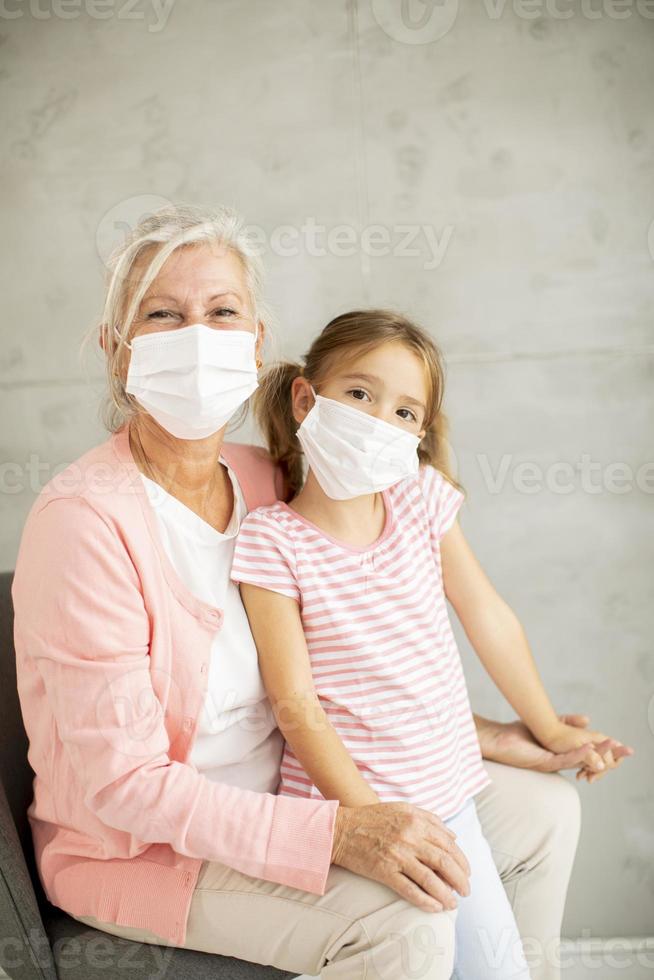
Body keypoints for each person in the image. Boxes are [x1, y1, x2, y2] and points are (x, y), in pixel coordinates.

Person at [11, 204, 632, 980]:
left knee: (544, 813)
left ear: (257, 343)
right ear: (117, 351)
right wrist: (342, 834)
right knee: (406, 924)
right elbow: (127, 788)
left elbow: (351, 664)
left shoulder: (270, 480)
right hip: (149, 851)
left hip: (298, 787)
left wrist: (485, 734)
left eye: (222, 311)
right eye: (163, 315)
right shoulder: (84, 523)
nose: (198, 336)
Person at [227, 309, 631, 978]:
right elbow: (294, 703)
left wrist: (549, 730)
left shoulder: (419, 498)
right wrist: (371, 824)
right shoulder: (274, 542)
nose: (379, 422)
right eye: (359, 395)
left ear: (420, 433)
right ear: (306, 398)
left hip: (448, 801)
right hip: (357, 815)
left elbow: (490, 619)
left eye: (405, 412)